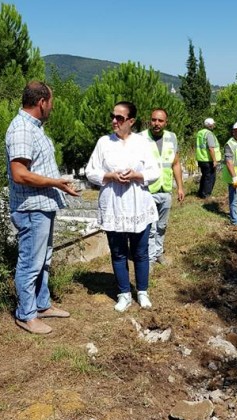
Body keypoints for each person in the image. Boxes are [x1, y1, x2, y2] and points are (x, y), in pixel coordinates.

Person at [6, 81, 79, 335]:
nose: (52, 108)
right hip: (30, 208)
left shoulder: (34, 128)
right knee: (30, 262)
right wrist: (54, 182)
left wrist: (58, 186)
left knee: (43, 259)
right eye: (52, 103)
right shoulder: (22, 130)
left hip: (42, 205)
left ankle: (41, 305)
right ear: (41, 103)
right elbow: (19, 173)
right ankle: (26, 315)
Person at [85, 101, 160, 312]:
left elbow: (155, 172)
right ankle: (124, 293)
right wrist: (109, 176)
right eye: (113, 116)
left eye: (120, 118)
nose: (114, 121)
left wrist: (137, 175)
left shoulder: (142, 143)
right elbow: (90, 171)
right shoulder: (104, 142)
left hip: (138, 204)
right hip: (114, 205)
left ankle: (142, 292)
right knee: (118, 252)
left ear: (131, 121)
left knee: (140, 252)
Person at [138, 108, 185, 266]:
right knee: (149, 228)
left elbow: (176, 163)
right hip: (147, 191)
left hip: (165, 189)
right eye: (154, 120)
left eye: (160, 121)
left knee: (162, 226)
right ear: (150, 120)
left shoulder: (172, 137)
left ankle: (159, 253)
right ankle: (149, 259)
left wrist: (180, 187)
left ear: (166, 122)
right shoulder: (141, 138)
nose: (156, 123)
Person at [196, 118, 220, 199]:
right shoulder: (209, 134)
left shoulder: (200, 133)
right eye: (213, 124)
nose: (214, 125)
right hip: (208, 159)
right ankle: (206, 195)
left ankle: (201, 193)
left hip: (201, 159)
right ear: (210, 125)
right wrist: (214, 160)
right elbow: (211, 148)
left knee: (205, 176)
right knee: (210, 178)